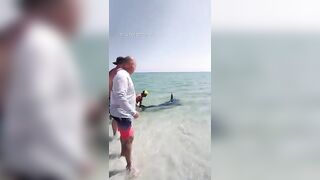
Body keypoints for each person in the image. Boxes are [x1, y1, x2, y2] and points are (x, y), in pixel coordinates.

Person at [3, 0, 90, 179]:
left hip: (28, 158)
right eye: (76, 6)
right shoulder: (44, 43)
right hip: (45, 162)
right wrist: (75, 156)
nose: (81, 13)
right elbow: (39, 109)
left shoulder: (33, 40)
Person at [110, 56, 139, 172]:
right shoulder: (122, 75)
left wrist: (133, 98)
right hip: (123, 114)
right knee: (129, 139)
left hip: (118, 112)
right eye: (134, 65)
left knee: (124, 135)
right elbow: (121, 96)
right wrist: (133, 112)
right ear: (128, 64)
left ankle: (122, 154)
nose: (135, 68)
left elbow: (120, 95)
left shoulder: (119, 74)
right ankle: (129, 167)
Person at [109, 57, 126, 137]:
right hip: (116, 97)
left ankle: (115, 134)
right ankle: (123, 135)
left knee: (114, 117)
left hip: (109, 97)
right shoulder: (120, 73)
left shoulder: (111, 72)